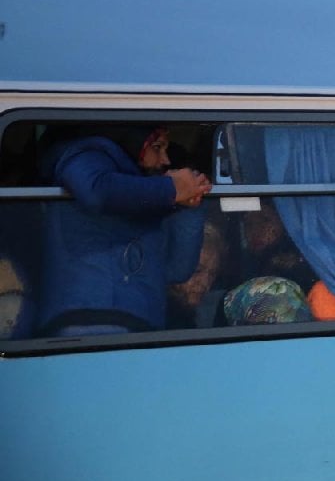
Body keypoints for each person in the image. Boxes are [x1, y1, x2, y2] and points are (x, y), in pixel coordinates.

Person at [37, 126, 212, 336]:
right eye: (157, 147)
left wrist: (189, 204)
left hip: (141, 323)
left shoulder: (144, 193)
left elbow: (177, 269)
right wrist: (171, 189)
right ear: (133, 139)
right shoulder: (86, 154)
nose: (165, 159)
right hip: (89, 320)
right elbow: (97, 192)